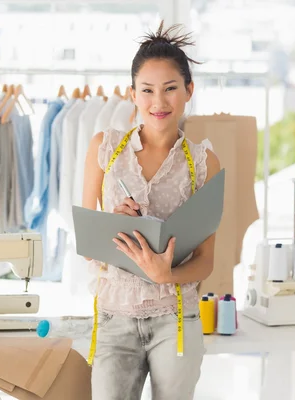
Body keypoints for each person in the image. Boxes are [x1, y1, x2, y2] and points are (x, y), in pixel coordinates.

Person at [81, 21, 220, 399]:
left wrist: (166, 274)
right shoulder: (103, 149)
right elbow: (86, 242)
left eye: (170, 88)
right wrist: (114, 226)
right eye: (147, 90)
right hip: (114, 317)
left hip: (176, 320)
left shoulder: (204, 163)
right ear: (133, 94)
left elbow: (206, 262)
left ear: (189, 90)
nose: (159, 102)